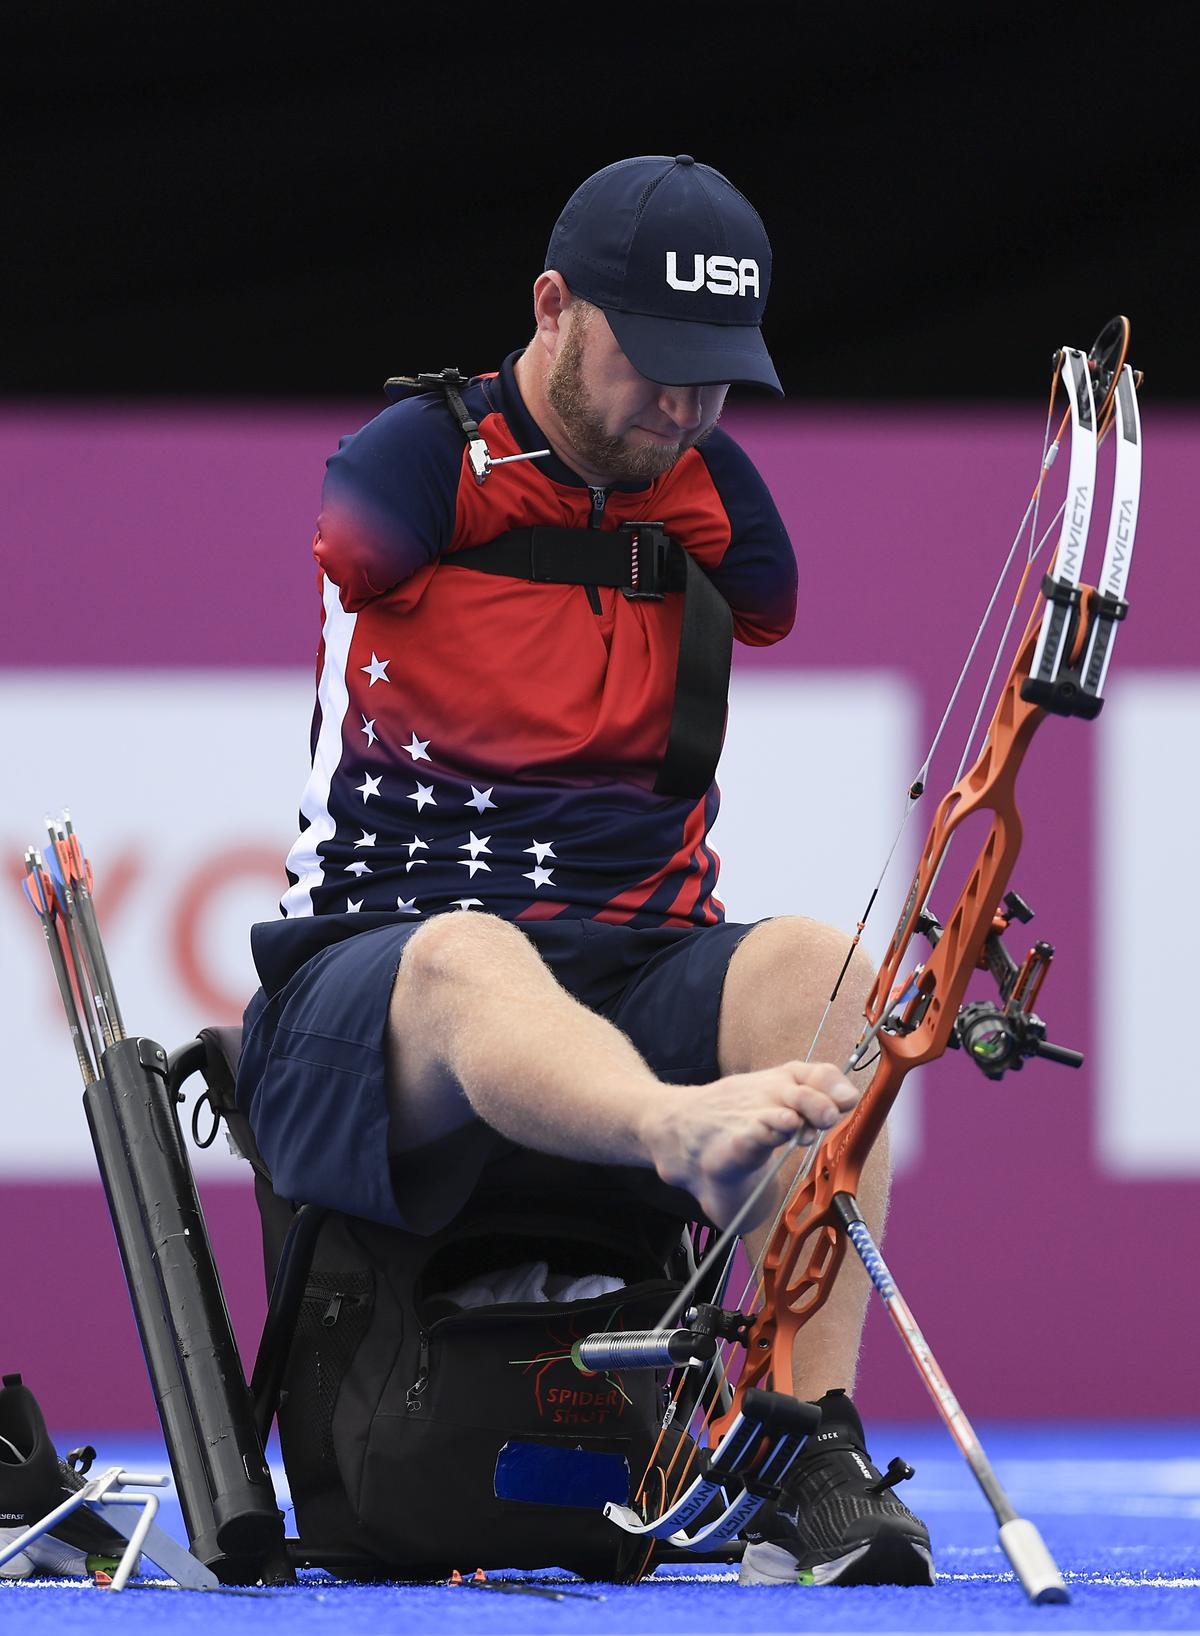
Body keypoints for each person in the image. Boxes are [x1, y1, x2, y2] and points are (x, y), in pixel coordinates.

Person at [236, 154, 932, 1587]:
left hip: (632, 958)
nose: (682, 409)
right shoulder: (415, 461)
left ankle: (806, 1441)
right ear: (551, 308)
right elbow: (356, 547)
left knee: (823, 971)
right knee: (474, 949)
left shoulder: (709, 487)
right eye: (654, 366)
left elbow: (771, 596)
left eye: (715, 377)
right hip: (370, 983)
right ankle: (676, 1137)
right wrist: (547, 517)